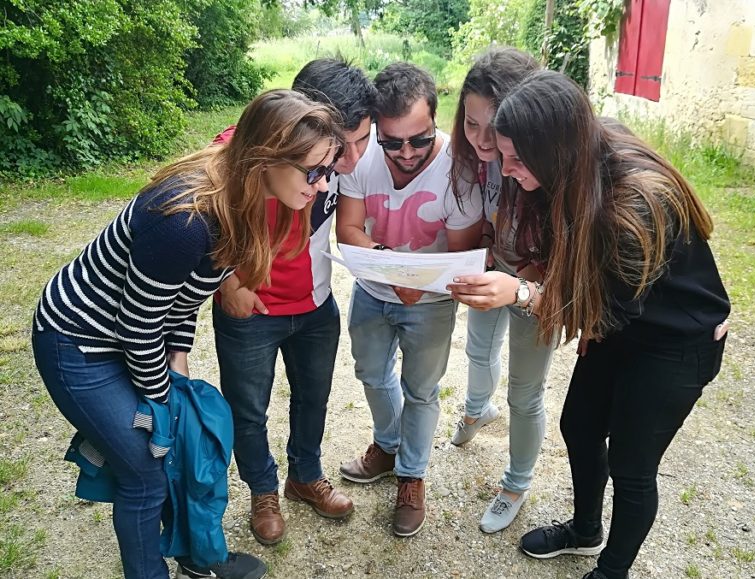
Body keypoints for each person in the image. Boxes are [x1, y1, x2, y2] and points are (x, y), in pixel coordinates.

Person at [31, 89, 343, 579]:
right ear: (266, 157)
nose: (323, 185)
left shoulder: (247, 197)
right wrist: (161, 402)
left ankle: (198, 556)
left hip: (137, 336)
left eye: (330, 169)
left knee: (188, 441)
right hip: (79, 343)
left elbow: (181, 299)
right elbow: (138, 324)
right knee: (145, 471)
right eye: (313, 171)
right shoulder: (184, 218)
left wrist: (177, 359)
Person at [448, 70, 730, 579]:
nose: (506, 170)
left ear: (555, 149)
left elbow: (605, 309)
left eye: (516, 158)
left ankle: (612, 570)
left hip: (675, 340)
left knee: (631, 466)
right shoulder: (579, 161)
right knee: (578, 426)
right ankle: (584, 530)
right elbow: (592, 285)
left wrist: (522, 291)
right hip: (622, 320)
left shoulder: (634, 204)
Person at [212, 59, 378, 546]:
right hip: (253, 311)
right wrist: (224, 280)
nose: (349, 160)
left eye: (362, 139)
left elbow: (352, 224)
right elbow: (195, 214)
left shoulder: (348, 161)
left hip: (315, 305)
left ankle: (305, 475)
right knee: (248, 409)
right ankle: (262, 491)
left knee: (314, 397)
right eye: (339, 148)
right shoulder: (233, 153)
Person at [336, 62, 483, 537]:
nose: (404, 153)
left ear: (436, 121)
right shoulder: (363, 160)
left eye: (419, 140)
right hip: (373, 290)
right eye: (391, 141)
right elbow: (348, 229)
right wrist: (391, 266)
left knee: (422, 391)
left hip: (433, 301)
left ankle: (411, 475)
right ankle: (387, 443)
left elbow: (461, 257)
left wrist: (421, 283)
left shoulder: (458, 172)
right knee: (371, 374)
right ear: (376, 130)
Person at [447, 47, 551, 534]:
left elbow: (568, 269)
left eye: (495, 130)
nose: (484, 143)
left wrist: (526, 280)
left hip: (536, 286)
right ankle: (475, 409)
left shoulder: (549, 163)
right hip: (493, 269)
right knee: (477, 347)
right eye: (471, 125)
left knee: (526, 392)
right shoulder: (469, 158)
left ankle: (516, 481)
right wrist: (486, 243)